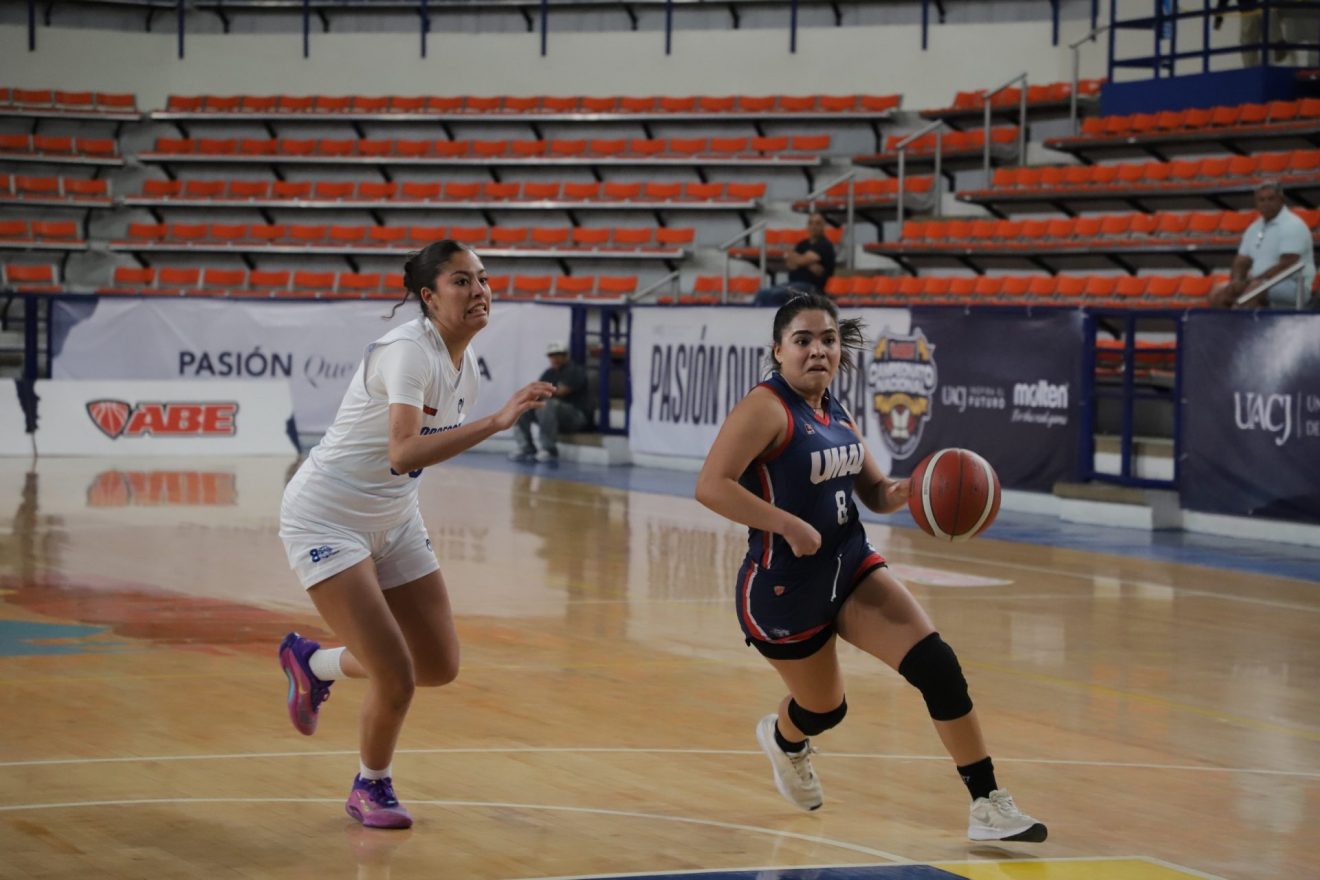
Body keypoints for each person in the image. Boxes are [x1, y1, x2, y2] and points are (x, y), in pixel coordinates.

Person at [694, 292, 1047, 842]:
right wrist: (786, 523)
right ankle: (786, 740)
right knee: (824, 710)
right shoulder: (765, 408)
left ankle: (987, 804)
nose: (817, 350)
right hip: (784, 589)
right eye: (803, 340)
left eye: (828, 340)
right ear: (778, 350)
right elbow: (710, 486)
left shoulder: (834, 408)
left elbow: (877, 493)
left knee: (938, 667)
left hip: (850, 564)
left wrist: (916, 487)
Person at [277, 240, 555, 829]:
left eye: (482, 278)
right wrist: (498, 421)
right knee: (396, 675)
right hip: (327, 517)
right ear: (429, 296)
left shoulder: (464, 363)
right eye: (462, 281)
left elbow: (406, 465)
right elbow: (402, 452)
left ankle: (313, 664)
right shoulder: (407, 352)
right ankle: (370, 786)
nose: (479, 291)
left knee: (437, 665)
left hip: (396, 517)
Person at [1211, 181, 1316, 309]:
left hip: (1294, 285)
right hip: (1260, 282)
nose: (1266, 203)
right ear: (1256, 203)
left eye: (1271, 199)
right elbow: (1242, 260)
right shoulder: (1254, 227)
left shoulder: (1293, 225)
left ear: (1281, 200)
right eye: (1261, 200)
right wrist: (1236, 281)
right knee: (1218, 293)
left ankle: (1245, 321)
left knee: (1253, 291)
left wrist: (1254, 281)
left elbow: (1287, 264)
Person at [509, 340, 591, 463]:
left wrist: (541, 393)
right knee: (522, 406)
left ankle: (549, 450)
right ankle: (526, 447)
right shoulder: (549, 373)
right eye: (552, 356)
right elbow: (537, 392)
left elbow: (562, 391)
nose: (554, 359)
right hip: (552, 416)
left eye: (558, 355)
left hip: (577, 417)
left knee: (547, 404)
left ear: (565, 356)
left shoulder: (575, 370)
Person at [753, 212, 838, 306]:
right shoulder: (802, 244)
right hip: (793, 284)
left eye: (817, 223)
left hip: (813, 288)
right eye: (811, 223)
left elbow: (799, 261)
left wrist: (800, 261)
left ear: (823, 226)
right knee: (762, 293)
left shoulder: (825, 245)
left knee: (776, 295)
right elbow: (790, 263)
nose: (813, 226)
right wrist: (808, 263)